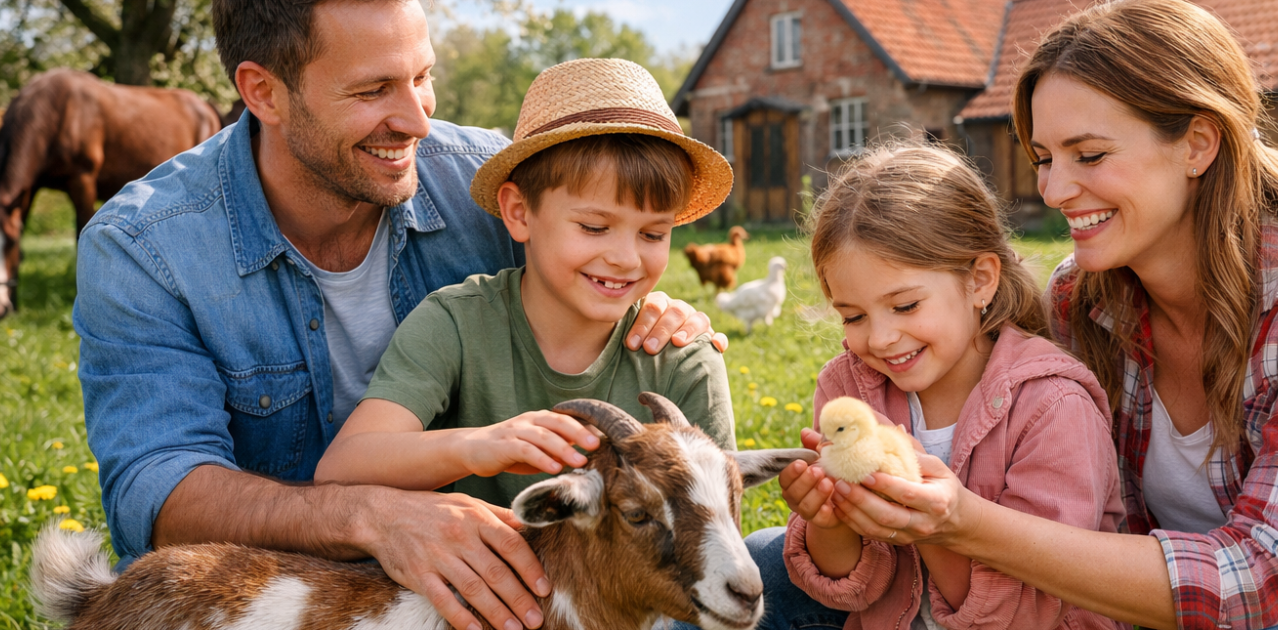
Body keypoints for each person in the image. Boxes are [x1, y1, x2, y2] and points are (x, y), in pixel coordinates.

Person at [816, 1, 1278, 630]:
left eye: (1090, 155)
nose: (1053, 188)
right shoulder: (1085, 298)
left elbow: (1259, 583)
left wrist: (961, 522)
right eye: (1044, 158)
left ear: (1197, 144)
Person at [72, 3, 721, 630]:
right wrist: (371, 518)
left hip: (489, 595)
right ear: (263, 92)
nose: (416, 119)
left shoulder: (486, 186)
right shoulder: (144, 247)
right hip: (264, 596)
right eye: (373, 89)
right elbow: (158, 494)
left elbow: (592, 247)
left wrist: (646, 312)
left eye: (422, 76)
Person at [315, 58, 736, 508]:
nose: (626, 258)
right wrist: (476, 447)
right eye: (594, 227)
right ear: (519, 213)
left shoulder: (683, 359)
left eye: (653, 234)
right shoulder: (456, 322)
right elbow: (342, 470)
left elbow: (718, 520)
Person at [749, 143, 1126, 630]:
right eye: (854, 316)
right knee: (757, 556)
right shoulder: (849, 390)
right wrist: (829, 522)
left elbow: (1031, 611)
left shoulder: (1052, 406)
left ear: (980, 281)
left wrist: (925, 526)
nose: (881, 338)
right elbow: (852, 590)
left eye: (905, 306)